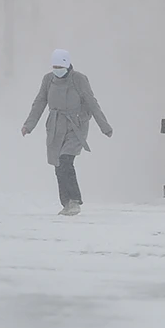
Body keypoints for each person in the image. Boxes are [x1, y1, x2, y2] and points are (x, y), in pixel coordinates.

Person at [22, 49, 112, 215]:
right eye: (54, 66)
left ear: (67, 65)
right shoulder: (48, 80)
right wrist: (29, 125)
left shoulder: (79, 79)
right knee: (58, 165)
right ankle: (66, 203)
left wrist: (104, 126)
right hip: (56, 127)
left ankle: (75, 200)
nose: (57, 69)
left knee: (65, 160)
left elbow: (92, 103)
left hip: (75, 126)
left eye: (60, 66)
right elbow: (39, 102)